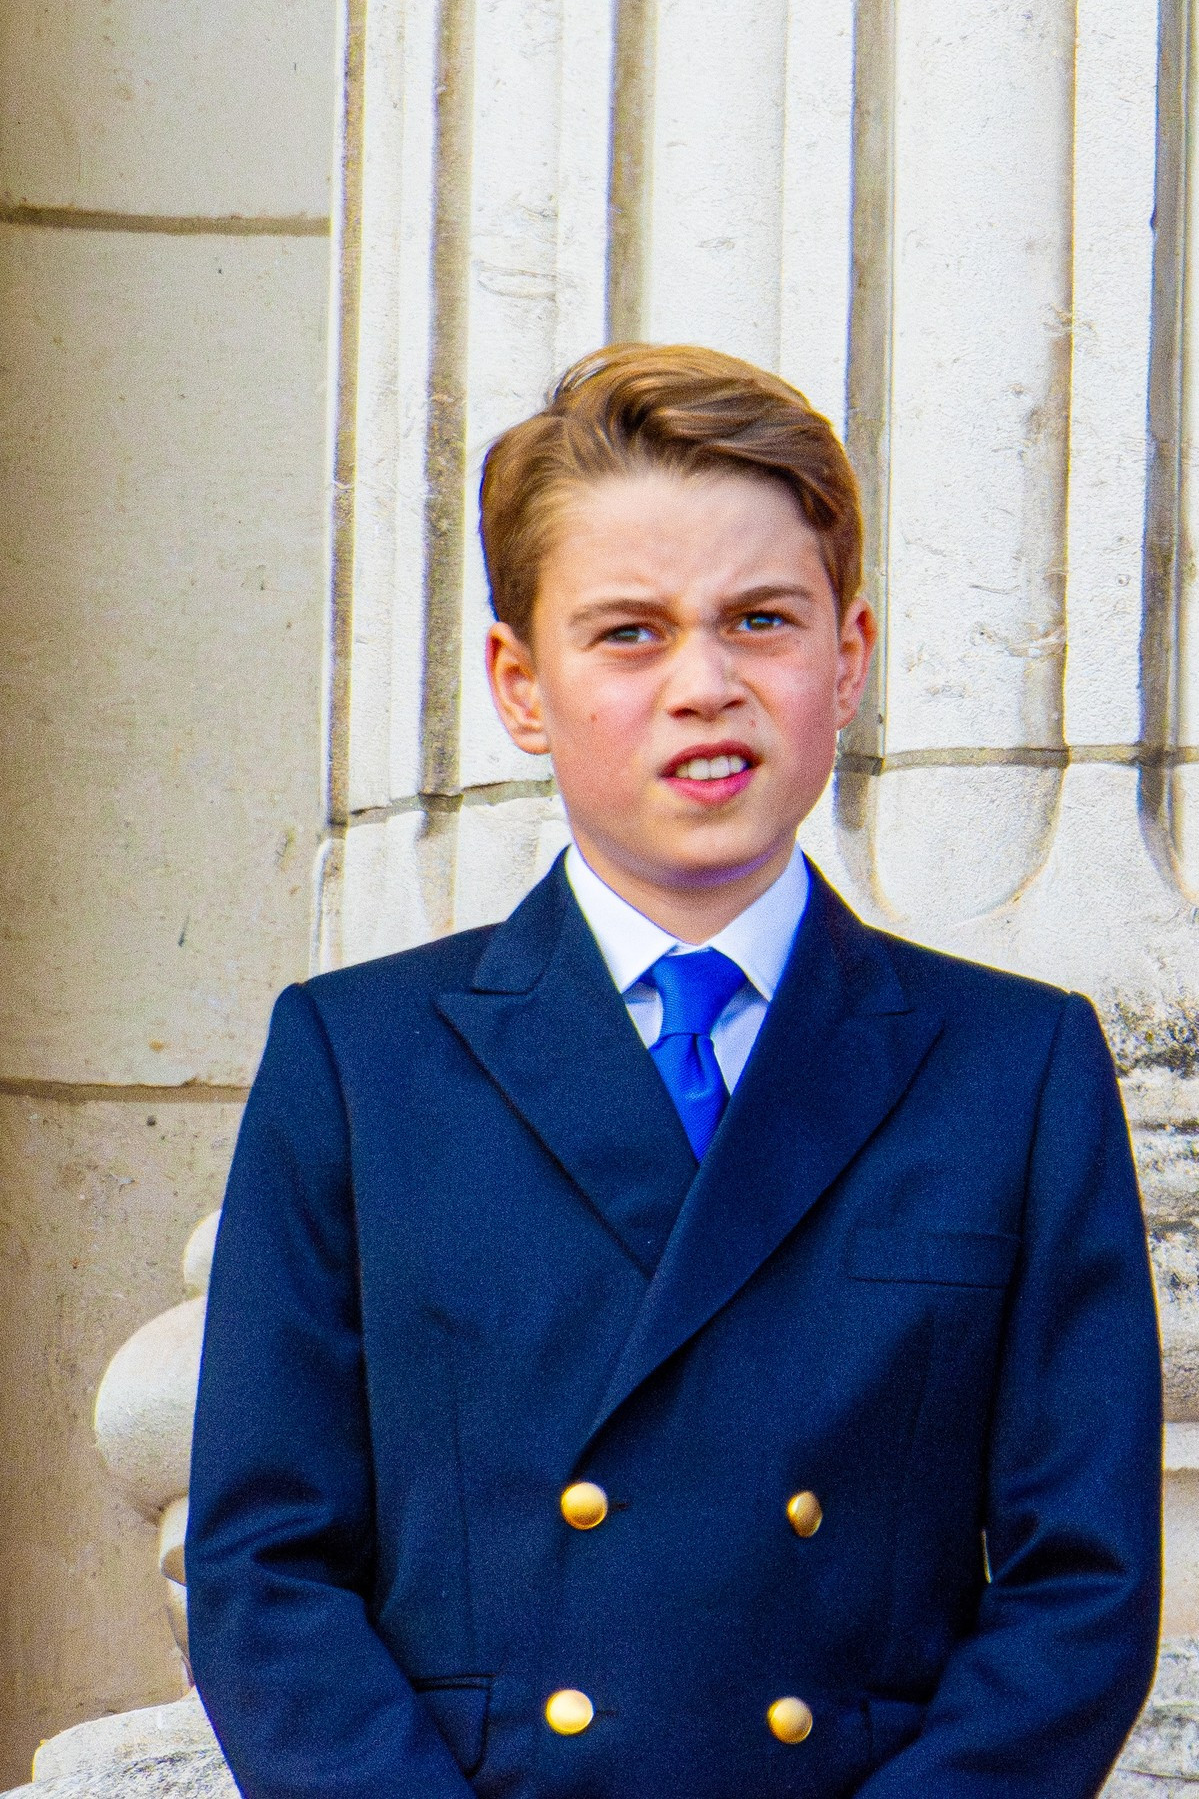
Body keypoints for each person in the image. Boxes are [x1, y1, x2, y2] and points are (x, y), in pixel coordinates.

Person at [186, 343, 1162, 1799]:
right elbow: (266, 1568)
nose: (706, 685)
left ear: (848, 657)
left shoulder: (1014, 1071)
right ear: (521, 685)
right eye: (630, 634)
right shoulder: (358, 1062)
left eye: (761, 620)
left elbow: (1081, 1589)